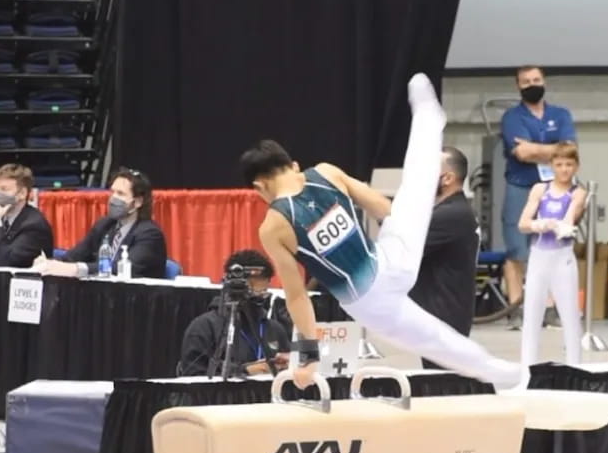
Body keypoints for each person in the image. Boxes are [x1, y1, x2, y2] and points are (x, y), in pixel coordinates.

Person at [241, 73, 523, 389]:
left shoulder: (273, 225)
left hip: (368, 301)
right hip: (390, 260)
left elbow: (297, 296)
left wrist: (308, 357)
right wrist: (403, 226)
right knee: (413, 189)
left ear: (259, 186)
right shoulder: (326, 173)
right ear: (293, 165)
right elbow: (383, 208)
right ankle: (427, 122)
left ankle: (500, 374)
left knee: (435, 340)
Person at [500, 65, 576, 325]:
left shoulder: (561, 114)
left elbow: (570, 150)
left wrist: (536, 148)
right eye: (526, 81)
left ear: (544, 81)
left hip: (554, 188)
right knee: (516, 250)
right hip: (520, 187)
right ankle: (516, 309)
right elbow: (522, 154)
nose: (531, 84)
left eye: (536, 79)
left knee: (553, 246)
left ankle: (551, 309)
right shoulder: (512, 117)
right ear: (518, 86)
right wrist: (554, 149)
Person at [408, 145, 480, 368]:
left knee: (441, 386)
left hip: (443, 318)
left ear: (447, 178)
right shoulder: (448, 211)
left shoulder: (452, 214)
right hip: (435, 314)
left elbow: (402, 246)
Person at [517, 141, 587, 366]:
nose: (564, 169)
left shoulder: (578, 192)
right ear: (552, 166)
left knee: (570, 316)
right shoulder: (540, 189)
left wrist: (559, 226)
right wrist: (540, 224)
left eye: (569, 164)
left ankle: (575, 365)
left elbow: (569, 220)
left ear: (576, 166)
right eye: (559, 164)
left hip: (562, 257)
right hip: (539, 256)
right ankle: (527, 367)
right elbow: (523, 223)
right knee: (532, 316)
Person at [34, 168, 167, 278]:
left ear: (137, 202)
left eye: (120, 194)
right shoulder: (105, 225)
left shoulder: (150, 234)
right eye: (112, 192)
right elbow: (73, 257)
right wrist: (51, 263)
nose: (113, 198)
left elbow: (122, 268)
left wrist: (77, 269)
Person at [179, 249, 291, 376]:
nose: (260, 295)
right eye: (253, 288)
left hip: (266, 393)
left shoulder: (274, 329)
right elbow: (193, 373)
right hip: (221, 395)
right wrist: (244, 371)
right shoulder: (204, 327)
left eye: (263, 289)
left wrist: (286, 366)